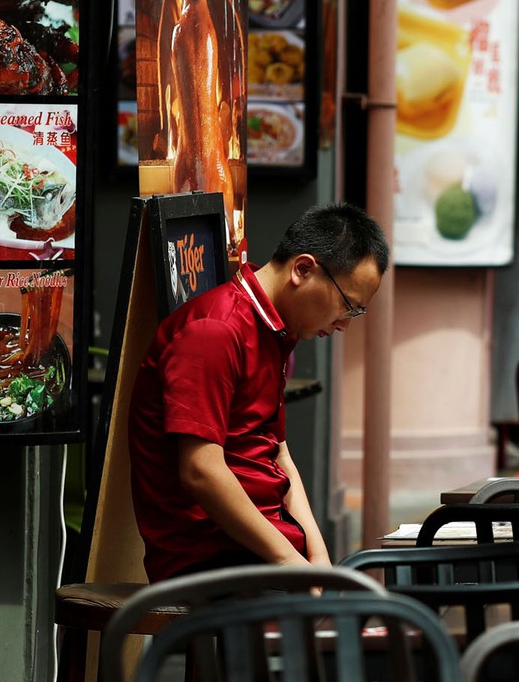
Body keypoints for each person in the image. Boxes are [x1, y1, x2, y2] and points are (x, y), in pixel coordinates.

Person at [129, 202, 389, 582]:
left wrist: (318, 559)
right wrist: (290, 563)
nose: (344, 324)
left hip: (260, 549)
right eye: (347, 306)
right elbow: (201, 470)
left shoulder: (275, 331)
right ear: (303, 269)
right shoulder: (215, 330)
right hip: (214, 557)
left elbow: (276, 452)